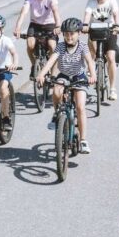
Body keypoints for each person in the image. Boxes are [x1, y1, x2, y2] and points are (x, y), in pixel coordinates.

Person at [37, 17, 95, 154]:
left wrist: (92, 75)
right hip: (64, 75)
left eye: (72, 33)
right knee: (56, 92)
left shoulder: (82, 46)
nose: (69, 37)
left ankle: (83, 140)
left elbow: (89, 61)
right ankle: (57, 114)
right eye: (66, 34)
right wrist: (41, 74)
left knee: (80, 106)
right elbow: (51, 61)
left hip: (79, 76)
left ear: (79, 33)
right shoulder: (61, 46)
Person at [83, 0, 119, 101]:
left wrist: (117, 26)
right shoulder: (91, 2)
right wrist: (84, 25)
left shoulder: (112, 1)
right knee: (92, 53)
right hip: (95, 30)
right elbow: (87, 15)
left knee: (110, 57)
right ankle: (93, 68)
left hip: (109, 31)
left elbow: (116, 15)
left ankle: (113, 89)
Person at [13, 0, 60, 73]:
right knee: (30, 45)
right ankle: (34, 65)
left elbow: (55, 11)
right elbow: (24, 12)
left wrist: (58, 26)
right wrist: (18, 27)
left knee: (52, 46)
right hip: (35, 24)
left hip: (49, 24)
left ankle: (53, 72)